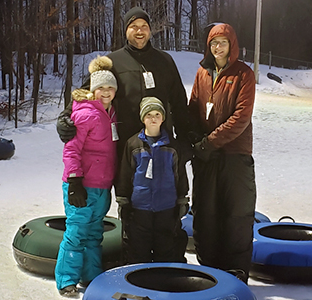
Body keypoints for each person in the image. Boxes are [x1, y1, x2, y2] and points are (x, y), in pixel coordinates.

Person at [55, 6, 192, 264]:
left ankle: (169, 268)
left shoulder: (165, 61)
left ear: (150, 30)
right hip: (128, 153)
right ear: (125, 30)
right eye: (133, 26)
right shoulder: (113, 61)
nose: (139, 31)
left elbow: (180, 104)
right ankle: (134, 266)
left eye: (144, 26)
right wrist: (65, 116)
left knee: (167, 211)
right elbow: (88, 93)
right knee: (131, 208)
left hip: (163, 151)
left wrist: (185, 142)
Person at [187, 23, 256, 284]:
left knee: (236, 215)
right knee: (206, 214)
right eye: (213, 43)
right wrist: (195, 138)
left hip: (234, 156)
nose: (217, 47)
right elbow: (193, 106)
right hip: (206, 157)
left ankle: (235, 276)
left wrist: (211, 143)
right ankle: (209, 275)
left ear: (232, 45)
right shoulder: (202, 73)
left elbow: (241, 117)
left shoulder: (243, 74)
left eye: (223, 42)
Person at [55, 56, 119, 297]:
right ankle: (66, 280)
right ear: (92, 89)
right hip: (82, 184)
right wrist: (74, 181)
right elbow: (71, 148)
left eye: (110, 88)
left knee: (94, 234)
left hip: (102, 186)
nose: (105, 92)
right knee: (76, 232)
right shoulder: (86, 113)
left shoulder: (111, 113)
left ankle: (91, 276)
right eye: (100, 88)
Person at [115, 96, 189, 264]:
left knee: (166, 248)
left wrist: (182, 199)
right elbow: (126, 175)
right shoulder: (133, 145)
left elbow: (180, 175)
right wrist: (123, 201)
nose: (153, 118)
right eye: (149, 115)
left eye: (157, 114)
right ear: (143, 118)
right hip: (140, 208)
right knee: (139, 249)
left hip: (166, 208)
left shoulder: (172, 146)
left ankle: (164, 284)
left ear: (163, 118)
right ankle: (140, 284)